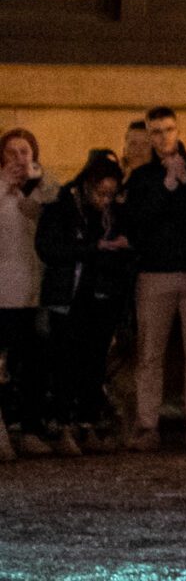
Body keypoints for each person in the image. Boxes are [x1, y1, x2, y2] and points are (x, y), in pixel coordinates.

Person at [123, 106, 186, 450]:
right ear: (149, 135)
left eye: (169, 129)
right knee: (150, 354)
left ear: (178, 130)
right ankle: (147, 425)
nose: (163, 137)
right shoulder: (141, 179)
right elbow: (137, 225)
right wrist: (166, 187)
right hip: (155, 275)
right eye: (156, 131)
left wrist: (184, 184)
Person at [33, 152, 131, 454]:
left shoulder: (115, 212)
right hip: (68, 298)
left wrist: (121, 246)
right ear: (87, 185)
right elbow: (48, 248)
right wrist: (93, 248)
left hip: (101, 298)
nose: (106, 199)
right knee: (65, 363)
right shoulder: (62, 206)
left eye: (111, 194)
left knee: (94, 364)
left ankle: (87, 425)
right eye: (101, 193)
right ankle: (63, 426)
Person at [0, 129, 52, 458]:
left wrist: (39, 187)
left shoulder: (44, 186)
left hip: (38, 291)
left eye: (26, 151)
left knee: (35, 363)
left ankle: (31, 428)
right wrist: (5, 187)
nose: (21, 158)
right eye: (13, 152)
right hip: (5, 291)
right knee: (3, 365)